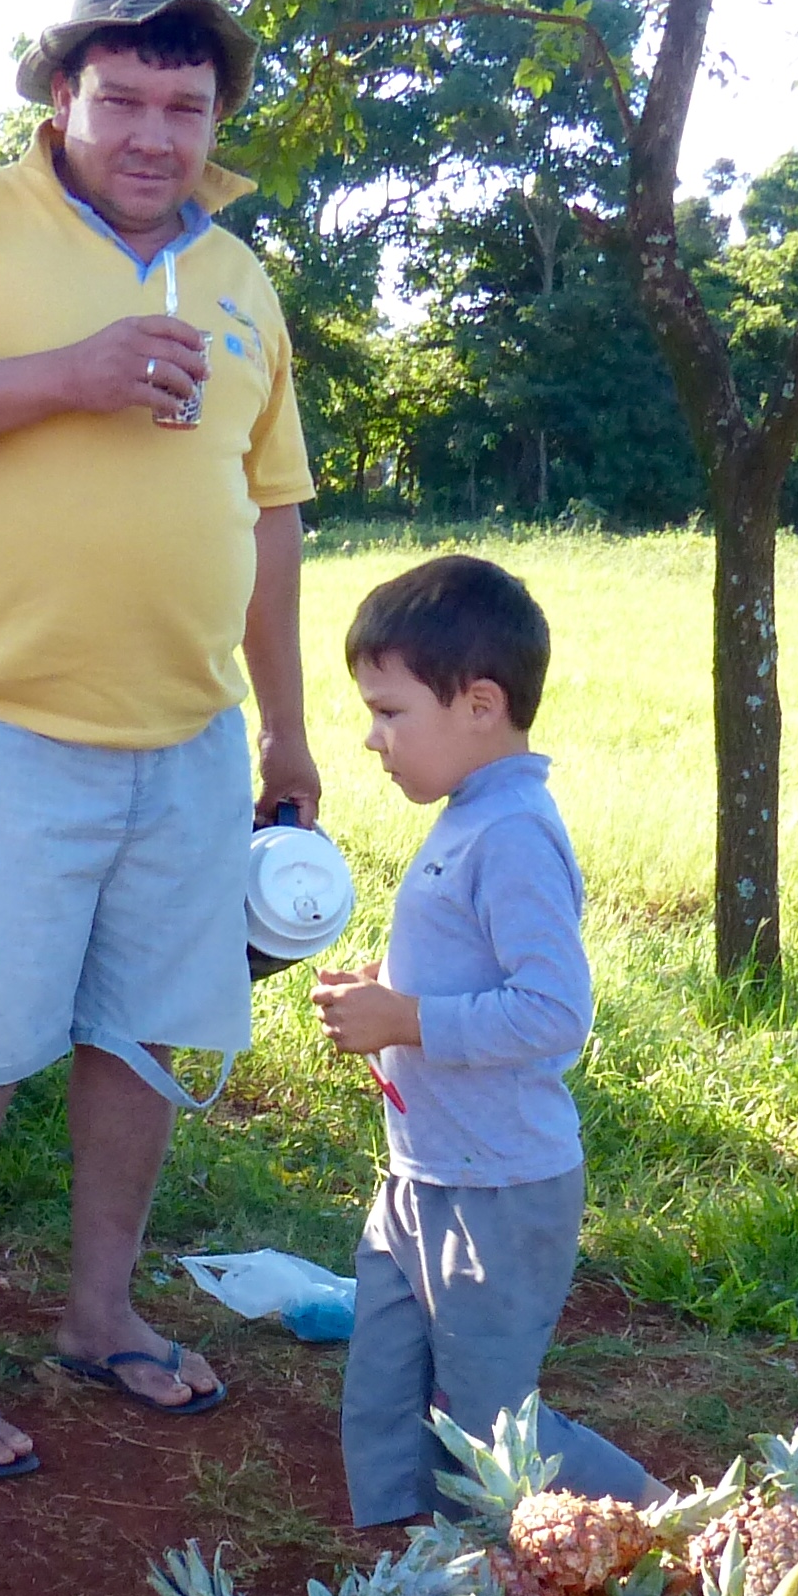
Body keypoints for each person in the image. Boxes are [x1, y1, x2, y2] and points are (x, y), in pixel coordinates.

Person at [0, 0, 318, 1479]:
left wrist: (287, 734)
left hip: (190, 739)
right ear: (61, 92)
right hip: (8, 724)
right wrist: (75, 371)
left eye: (187, 103)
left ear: (216, 113)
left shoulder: (240, 280)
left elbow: (274, 514)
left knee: (142, 1045)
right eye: (124, 98)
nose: (156, 133)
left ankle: (99, 1313)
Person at [313, 556, 653, 1528]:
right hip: (421, 1177)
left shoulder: (511, 833)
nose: (371, 739)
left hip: (499, 1191)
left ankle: (669, 1521)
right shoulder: (469, 816)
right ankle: (402, 1574)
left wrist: (407, 1019)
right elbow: (472, 976)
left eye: (388, 712)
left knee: (491, 1427)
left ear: (477, 703)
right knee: (382, 1392)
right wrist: (385, 994)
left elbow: (553, 1010)